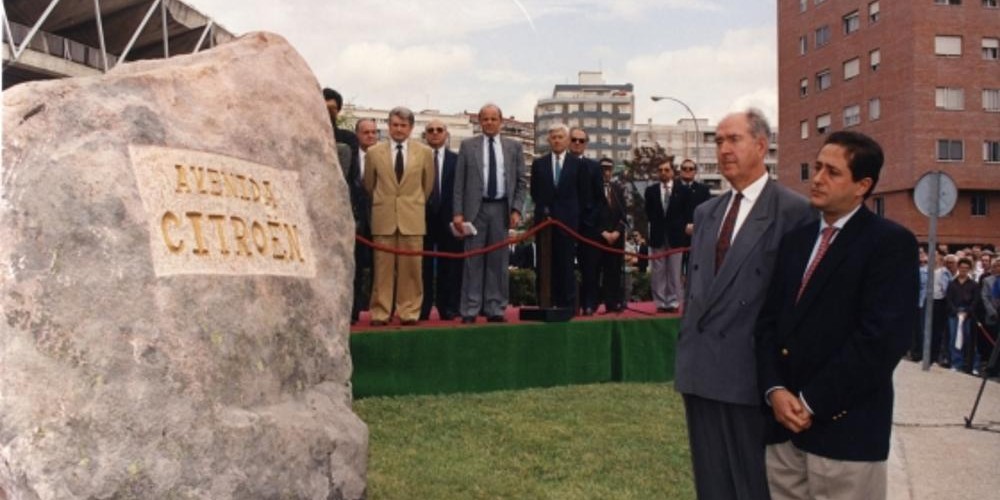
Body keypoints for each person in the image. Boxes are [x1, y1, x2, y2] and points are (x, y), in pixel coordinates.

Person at [756, 130, 918, 500]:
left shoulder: (889, 244)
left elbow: (881, 341)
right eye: (816, 167)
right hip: (784, 434)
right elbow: (768, 325)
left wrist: (811, 402)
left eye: (832, 171)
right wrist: (775, 391)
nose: (817, 178)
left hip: (847, 437)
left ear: (862, 185)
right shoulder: (796, 241)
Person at [674, 109, 815, 500]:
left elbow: (796, 303)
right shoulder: (707, 213)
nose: (723, 149)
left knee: (752, 485)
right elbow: (698, 291)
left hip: (750, 376)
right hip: (699, 372)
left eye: (733, 140)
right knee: (712, 483)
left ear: (761, 145)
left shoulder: (794, 211)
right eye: (718, 141)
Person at [452, 104, 528, 324]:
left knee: (498, 261)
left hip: (501, 209)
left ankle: (495, 307)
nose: (489, 122)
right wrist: (457, 213)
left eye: (493, 119)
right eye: (485, 119)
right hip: (474, 210)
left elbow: (522, 181)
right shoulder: (468, 146)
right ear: (480, 122)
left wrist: (516, 209)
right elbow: (459, 183)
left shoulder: (514, 147)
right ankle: (470, 309)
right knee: (472, 261)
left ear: (500, 121)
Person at [362, 107, 434, 326]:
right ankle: (380, 312)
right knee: (382, 269)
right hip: (384, 218)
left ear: (411, 128)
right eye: (395, 125)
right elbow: (369, 184)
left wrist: (411, 203)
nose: (399, 129)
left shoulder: (424, 153)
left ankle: (409, 311)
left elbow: (427, 185)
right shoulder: (374, 153)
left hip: (412, 218)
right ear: (389, 126)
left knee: (411, 269)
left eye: (403, 125)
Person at [530, 124, 589, 311]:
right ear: (548, 140)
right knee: (545, 264)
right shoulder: (539, 164)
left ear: (567, 140)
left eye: (560, 137)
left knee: (566, 264)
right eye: (553, 137)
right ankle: (545, 301)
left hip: (568, 222)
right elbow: (534, 192)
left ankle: (567, 303)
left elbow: (583, 194)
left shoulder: (578, 165)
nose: (556, 140)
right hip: (544, 222)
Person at [420, 120, 462, 321]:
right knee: (422, 266)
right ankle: (422, 307)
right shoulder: (418, 159)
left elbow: (462, 189)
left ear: (446, 134)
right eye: (430, 130)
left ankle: (449, 307)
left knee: (450, 265)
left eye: (439, 130)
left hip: (450, 217)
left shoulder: (458, 159)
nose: (435, 133)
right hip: (422, 217)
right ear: (425, 135)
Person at [568, 127, 604, 316]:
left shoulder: (594, 166)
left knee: (590, 266)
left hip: (588, 224)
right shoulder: (561, 164)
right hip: (564, 222)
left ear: (586, 144)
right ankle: (566, 302)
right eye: (574, 139)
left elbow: (600, 197)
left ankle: (589, 303)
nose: (577, 143)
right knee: (564, 264)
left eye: (581, 141)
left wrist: (593, 219)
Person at [644, 159, 685, 313]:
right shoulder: (651, 191)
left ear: (672, 172)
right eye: (660, 170)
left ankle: (674, 302)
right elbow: (649, 213)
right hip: (658, 235)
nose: (663, 172)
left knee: (675, 271)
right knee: (658, 271)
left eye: (666, 170)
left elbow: (685, 213)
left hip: (676, 236)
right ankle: (661, 303)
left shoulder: (682, 190)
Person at [351, 118, 378, 324]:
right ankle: (352, 311)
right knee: (356, 266)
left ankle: (379, 311)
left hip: (379, 218)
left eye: (373, 132)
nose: (370, 136)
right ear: (357, 134)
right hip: (355, 220)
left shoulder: (384, 157)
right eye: (365, 132)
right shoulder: (348, 157)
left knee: (381, 267)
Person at [595, 158, 628, 313]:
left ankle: (614, 302)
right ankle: (595, 303)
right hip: (598, 236)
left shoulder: (618, 189)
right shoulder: (593, 189)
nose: (606, 172)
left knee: (615, 271)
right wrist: (603, 232)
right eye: (603, 169)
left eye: (608, 169)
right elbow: (590, 213)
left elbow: (624, 214)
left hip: (616, 238)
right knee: (597, 271)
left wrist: (616, 232)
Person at [676, 158, 712, 274]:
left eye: (690, 169)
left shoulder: (703, 190)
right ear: (680, 171)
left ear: (695, 171)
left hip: (697, 235)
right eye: (684, 168)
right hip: (677, 236)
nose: (687, 171)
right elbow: (671, 213)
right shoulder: (672, 188)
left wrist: (696, 226)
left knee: (695, 271)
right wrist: (683, 227)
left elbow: (708, 212)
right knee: (676, 273)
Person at [946, 258, 980, 373]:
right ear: (958, 268)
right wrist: (956, 312)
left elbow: (975, 301)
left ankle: (973, 365)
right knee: (954, 339)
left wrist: (967, 312)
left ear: (969, 269)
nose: (963, 270)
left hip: (968, 315)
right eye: (962, 267)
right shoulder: (952, 284)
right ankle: (956, 363)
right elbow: (948, 299)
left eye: (966, 268)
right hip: (954, 314)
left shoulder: (974, 285)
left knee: (969, 340)